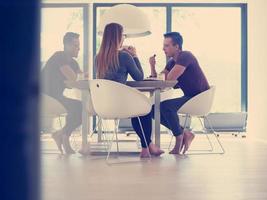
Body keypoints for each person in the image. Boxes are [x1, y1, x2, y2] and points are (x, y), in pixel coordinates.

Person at [132, 32, 210, 154]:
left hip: (199, 98)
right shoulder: (172, 62)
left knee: (165, 106)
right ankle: (184, 133)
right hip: (189, 97)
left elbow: (169, 79)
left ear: (177, 47)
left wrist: (164, 76)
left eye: (167, 45)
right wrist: (152, 65)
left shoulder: (185, 56)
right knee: (153, 110)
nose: (163, 49)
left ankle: (179, 138)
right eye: (164, 45)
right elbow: (160, 80)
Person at [95, 23, 164, 158]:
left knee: (138, 108)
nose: (124, 39)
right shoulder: (124, 56)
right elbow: (138, 77)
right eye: (123, 36)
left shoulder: (98, 58)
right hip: (121, 106)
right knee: (144, 109)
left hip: (104, 106)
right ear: (118, 38)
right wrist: (135, 56)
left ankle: (149, 146)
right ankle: (146, 148)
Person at [42, 32, 85, 154]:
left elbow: (81, 78)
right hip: (45, 97)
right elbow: (73, 77)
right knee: (79, 107)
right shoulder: (59, 56)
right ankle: (61, 135)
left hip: (56, 97)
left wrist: (78, 75)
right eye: (75, 45)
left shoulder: (73, 63)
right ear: (66, 45)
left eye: (79, 45)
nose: (79, 48)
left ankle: (62, 136)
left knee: (79, 107)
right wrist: (77, 75)